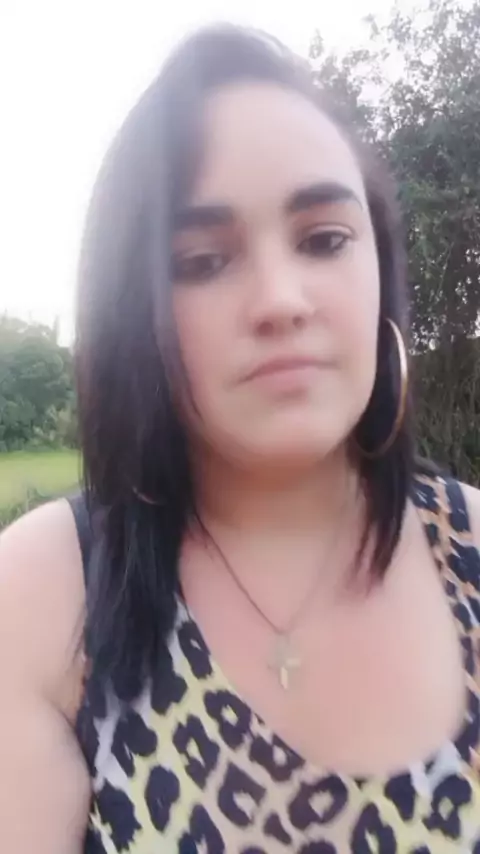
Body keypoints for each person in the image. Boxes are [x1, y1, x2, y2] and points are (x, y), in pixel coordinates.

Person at [1, 24, 480, 854]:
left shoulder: (470, 549)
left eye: (324, 240)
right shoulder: (44, 594)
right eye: (202, 260)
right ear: (133, 312)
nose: (282, 300)